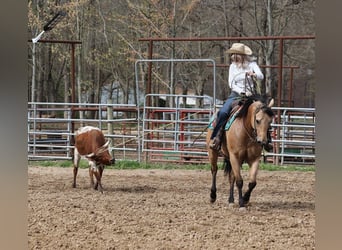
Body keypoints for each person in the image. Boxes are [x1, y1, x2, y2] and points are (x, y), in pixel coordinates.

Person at [209, 42, 272, 151]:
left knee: (264, 113)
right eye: (233, 54)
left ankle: (267, 140)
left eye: (236, 54)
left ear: (242, 55)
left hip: (251, 94)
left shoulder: (252, 65)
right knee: (223, 112)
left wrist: (254, 74)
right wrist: (241, 92)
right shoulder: (232, 67)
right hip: (236, 94)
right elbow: (231, 84)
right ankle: (216, 137)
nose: (233, 57)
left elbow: (261, 76)